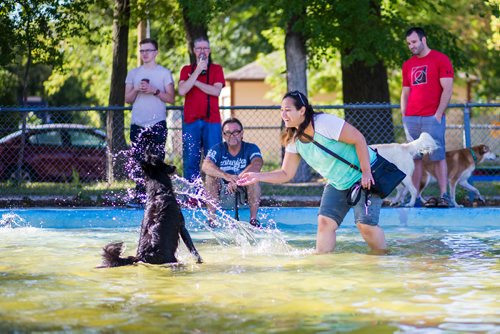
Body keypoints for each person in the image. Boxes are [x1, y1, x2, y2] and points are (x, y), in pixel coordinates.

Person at [238, 91, 387, 253]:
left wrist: (366, 171)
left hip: (365, 175)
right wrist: (257, 176)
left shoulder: (324, 123)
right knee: (324, 222)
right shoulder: (293, 138)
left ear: (302, 110)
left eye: (287, 110)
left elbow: (358, 139)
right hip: (338, 183)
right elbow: (286, 173)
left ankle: (383, 257)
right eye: (281, 110)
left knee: (365, 225)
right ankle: (322, 263)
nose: (283, 114)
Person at [401, 27, 454, 208]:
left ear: (424, 39)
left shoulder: (440, 59)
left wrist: (438, 113)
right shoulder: (408, 64)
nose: (411, 46)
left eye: (414, 42)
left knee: (437, 156)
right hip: (412, 118)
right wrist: (404, 114)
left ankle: (444, 195)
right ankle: (414, 197)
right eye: (409, 43)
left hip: (432, 117)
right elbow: (405, 91)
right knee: (415, 159)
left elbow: (447, 88)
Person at [125, 38, 175, 199]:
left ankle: (157, 194)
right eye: (142, 51)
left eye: (148, 50)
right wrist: (136, 89)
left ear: (156, 53)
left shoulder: (164, 72)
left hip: (157, 123)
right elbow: (127, 99)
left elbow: (171, 98)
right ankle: (140, 196)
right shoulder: (133, 73)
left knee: (157, 160)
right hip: (137, 123)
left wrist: (155, 90)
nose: (145, 54)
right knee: (139, 161)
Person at [178, 37, 226, 183]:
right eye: (199, 48)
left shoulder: (217, 69)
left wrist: (195, 82)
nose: (202, 51)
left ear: (210, 51)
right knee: (190, 160)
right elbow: (182, 90)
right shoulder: (186, 69)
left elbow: (215, 91)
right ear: (194, 51)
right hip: (191, 122)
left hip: (212, 121)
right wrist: (198, 71)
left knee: (213, 160)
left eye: (205, 48)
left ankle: (214, 195)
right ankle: (192, 198)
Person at [202, 118, 263, 227]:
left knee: (254, 179)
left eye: (236, 132)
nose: (232, 135)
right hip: (222, 189)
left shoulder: (251, 148)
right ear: (224, 135)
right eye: (228, 133)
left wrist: (238, 180)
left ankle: (253, 220)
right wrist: (227, 176)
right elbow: (206, 165)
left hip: (243, 188)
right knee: (209, 177)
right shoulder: (217, 149)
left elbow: (257, 164)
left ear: (242, 133)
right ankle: (212, 219)